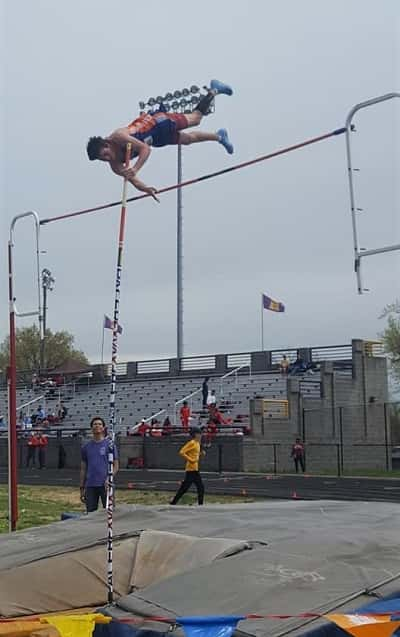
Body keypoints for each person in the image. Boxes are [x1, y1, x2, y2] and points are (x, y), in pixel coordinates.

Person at [86, 79, 233, 197]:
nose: (107, 158)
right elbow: (133, 180)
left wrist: (135, 168)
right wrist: (146, 189)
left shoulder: (119, 136)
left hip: (158, 123)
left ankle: (214, 89)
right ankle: (219, 136)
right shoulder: (115, 165)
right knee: (188, 140)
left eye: (105, 154)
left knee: (196, 119)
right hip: (156, 139)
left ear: (107, 144)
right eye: (102, 159)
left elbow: (145, 149)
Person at [80, 417, 119, 513]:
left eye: (99, 424)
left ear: (103, 428)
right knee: (91, 514)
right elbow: (83, 469)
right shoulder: (86, 447)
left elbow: (116, 465)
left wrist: (109, 478)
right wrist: (82, 487)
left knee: (110, 513)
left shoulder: (110, 445)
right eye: (95, 424)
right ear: (91, 428)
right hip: (90, 485)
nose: (97, 426)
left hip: (106, 485)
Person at [170, 426, 205, 505]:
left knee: (198, 488)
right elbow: (181, 452)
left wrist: (200, 454)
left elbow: (195, 455)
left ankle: (174, 502)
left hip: (195, 469)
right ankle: (200, 504)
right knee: (192, 488)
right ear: (195, 435)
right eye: (199, 434)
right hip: (191, 469)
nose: (201, 435)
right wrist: (191, 460)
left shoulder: (197, 444)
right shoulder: (192, 443)